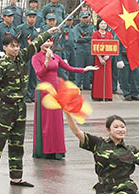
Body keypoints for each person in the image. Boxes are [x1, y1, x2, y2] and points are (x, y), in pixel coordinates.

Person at [0, 32, 46, 189]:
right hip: (6, 108)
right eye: (12, 46)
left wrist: (48, 33)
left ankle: (16, 177)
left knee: (17, 144)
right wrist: (6, 94)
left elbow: (34, 44)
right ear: (5, 48)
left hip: (20, 108)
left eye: (17, 46)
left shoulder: (21, 58)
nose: (16, 49)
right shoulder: (1, 65)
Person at [32, 28, 94, 160]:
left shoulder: (56, 56)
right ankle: (45, 150)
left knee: (56, 122)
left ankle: (57, 150)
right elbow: (40, 74)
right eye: (44, 41)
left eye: (49, 41)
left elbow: (69, 68)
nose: (47, 44)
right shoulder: (36, 58)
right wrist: (46, 60)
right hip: (44, 91)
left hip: (56, 92)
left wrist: (85, 69)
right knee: (46, 122)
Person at [91, 20, 116, 101]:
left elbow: (112, 45)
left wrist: (108, 55)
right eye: (101, 23)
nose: (103, 25)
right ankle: (97, 95)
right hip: (98, 58)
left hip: (107, 58)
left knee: (107, 76)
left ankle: (107, 95)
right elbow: (94, 46)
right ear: (98, 25)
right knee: (98, 76)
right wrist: (100, 58)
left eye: (105, 23)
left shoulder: (109, 34)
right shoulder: (95, 34)